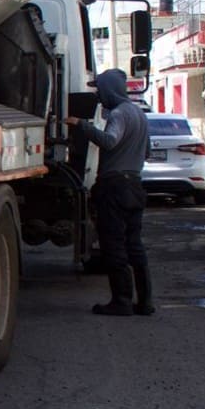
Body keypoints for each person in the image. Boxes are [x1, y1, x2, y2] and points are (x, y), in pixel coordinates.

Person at [66, 68, 153, 316]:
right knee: (134, 244)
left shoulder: (118, 114)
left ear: (110, 89)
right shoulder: (139, 113)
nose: (99, 96)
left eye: (100, 90)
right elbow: (145, 152)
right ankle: (145, 301)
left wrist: (82, 125)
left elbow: (110, 141)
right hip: (135, 185)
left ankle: (122, 300)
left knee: (113, 244)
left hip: (114, 187)